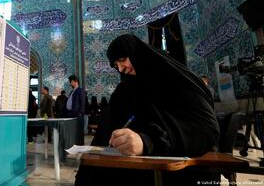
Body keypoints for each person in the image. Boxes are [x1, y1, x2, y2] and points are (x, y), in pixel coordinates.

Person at [75, 34, 220, 186]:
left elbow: (206, 129)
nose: (121, 68)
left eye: (122, 60)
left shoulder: (174, 80)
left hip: (173, 170)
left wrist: (147, 142)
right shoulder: (125, 89)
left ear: (136, 53)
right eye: (116, 65)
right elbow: (105, 131)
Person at [67, 75, 86, 144]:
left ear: (75, 82)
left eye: (71, 82)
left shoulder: (80, 90)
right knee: (73, 131)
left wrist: (81, 113)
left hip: (77, 114)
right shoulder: (72, 91)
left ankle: (80, 145)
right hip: (71, 114)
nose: (70, 83)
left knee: (79, 131)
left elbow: (82, 102)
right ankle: (74, 144)